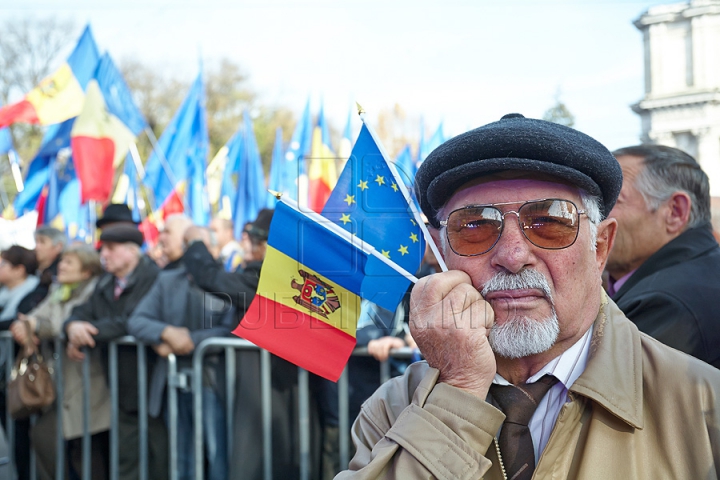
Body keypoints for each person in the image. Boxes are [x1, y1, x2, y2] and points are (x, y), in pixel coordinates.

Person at [336, 114, 720, 479]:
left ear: (600, 247)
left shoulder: (701, 405)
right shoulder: (394, 407)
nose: (513, 256)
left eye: (550, 223)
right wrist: (457, 395)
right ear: (441, 255)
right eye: (475, 227)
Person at [127, 226, 233, 480]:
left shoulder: (227, 280)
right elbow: (137, 320)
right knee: (181, 455)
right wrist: (165, 333)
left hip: (213, 383)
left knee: (217, 455)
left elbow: (232, 329)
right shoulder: (168, 280)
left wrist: (192, 340)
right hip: (173, 383)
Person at [63, 224, 166, 480]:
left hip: (153, 383)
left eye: (111, 248)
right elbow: (81, 312)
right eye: (102, 249)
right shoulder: (106, 282)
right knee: (127, 458)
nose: (104, 255)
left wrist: (88, 332)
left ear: (132, 251)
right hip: (121, 385)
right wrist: (73, 327)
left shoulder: (153, 277)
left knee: (159, 458)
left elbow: (130, 320)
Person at [606, 144, 720, 368]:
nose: (593, 216)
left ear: (675, 212)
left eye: (612, 201)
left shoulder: (664, 304)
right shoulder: (702, 269)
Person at [10, 245, 107, 480]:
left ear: (86, 272)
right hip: (61, 381)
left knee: (85, 451)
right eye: (62, 261)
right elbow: (37, 315)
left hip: (87, 381)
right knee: (51, 442)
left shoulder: (92, 291)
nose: (61, 266)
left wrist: (35, 326)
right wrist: (29, 324)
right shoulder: (59, 290)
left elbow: (58, 322)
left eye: (69, 263)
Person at [17, 226, 66, 315]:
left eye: (42, 242)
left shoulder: (60, 274)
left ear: (58, 246)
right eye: (36, 242)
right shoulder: (30, 268)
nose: (37, 247)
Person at [0, 246, 40, 328]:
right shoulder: (4, 291)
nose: (0, 267)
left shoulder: (33, 292)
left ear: (19, 270)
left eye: (3, 264)